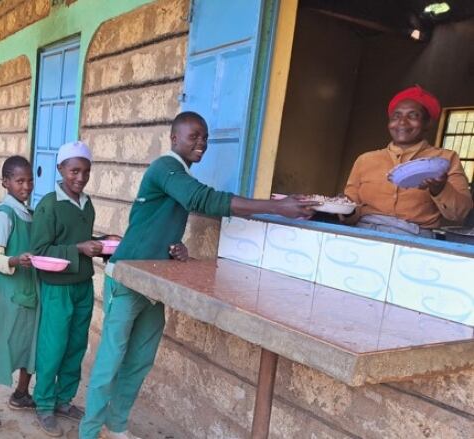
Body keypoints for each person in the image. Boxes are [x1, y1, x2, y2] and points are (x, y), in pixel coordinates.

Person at [79, 111, 319, 439]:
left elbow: (158, 222)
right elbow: (202, 199)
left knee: (139, 361)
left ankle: (116, 426)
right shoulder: (165, 167)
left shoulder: (179, 173)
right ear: (174, 139)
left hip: (155, 281)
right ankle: (89, 433)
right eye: (194, 137)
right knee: (110, 364)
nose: (201, 144)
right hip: (127, 277)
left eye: (205, 137)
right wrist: (277, 207)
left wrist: (174, 249)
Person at [31, 141, 117, 437]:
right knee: (52, 347)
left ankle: (64, 399)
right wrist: (79, 248)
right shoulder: (49, 205)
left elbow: (81, 238)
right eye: (74, 171)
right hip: (57, 287)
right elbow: (39, 250)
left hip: (81, 284)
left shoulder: (86, 203)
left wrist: (103, 241)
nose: (80, 177)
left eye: (86, 172)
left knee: (76, 346)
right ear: (60, 169)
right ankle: (43, 403)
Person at [343, 85, 472, 237]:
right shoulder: (365, 160)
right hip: (363, 232)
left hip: (415, 238)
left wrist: (440, 188)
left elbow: (461, 212)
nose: (402, 122)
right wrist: (340, 209)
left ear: (428, 123)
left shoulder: (444, 160)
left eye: (413, 116)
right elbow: (350, 206)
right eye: (396, 116)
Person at [0, 156, 38, 429]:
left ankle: (21, 393)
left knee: (28, 340)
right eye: (19, 180)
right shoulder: (4, 215)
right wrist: (14, 261)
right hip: (5, 292)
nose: (26, 186)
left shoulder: (29, 213)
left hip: (26, 288)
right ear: (6, 182)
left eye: (29, 180)